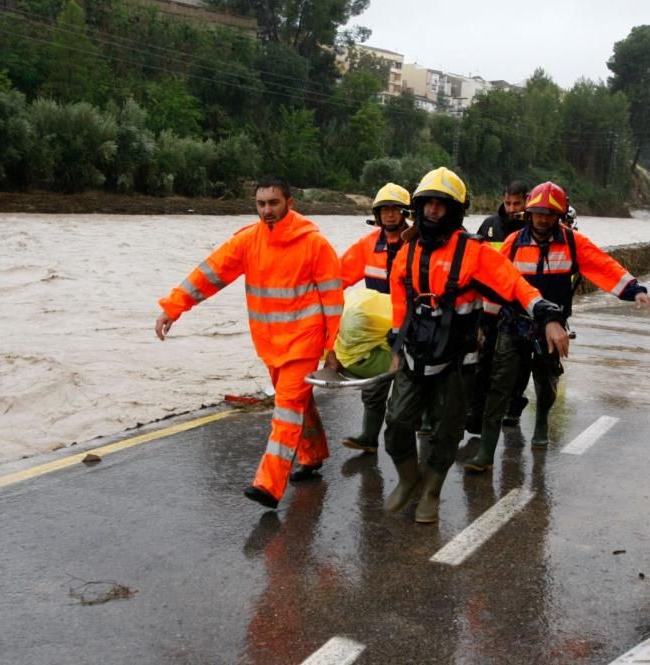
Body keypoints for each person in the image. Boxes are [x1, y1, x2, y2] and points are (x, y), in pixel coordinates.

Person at [384, 167, 568, 524]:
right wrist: (395, 347)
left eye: (441, 206)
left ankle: (432, 492)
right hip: (414, 356)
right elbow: (397, 305)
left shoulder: (474, 253)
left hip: (457, 360)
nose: (433, 212)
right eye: (427, 205)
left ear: (454, 211)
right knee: (396, 425)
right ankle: (409, 479)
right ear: (418, 207)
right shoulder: (405, 253)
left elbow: (515, 285)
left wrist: (547, 315)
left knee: (448, 429)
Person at [155, 177, 344, 509]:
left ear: (290, 203)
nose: (267, 210)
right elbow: (209, 274)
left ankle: (268, 485)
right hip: (270, 344)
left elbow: (333, 303)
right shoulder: (248, 242)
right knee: (298, 406)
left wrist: (333, 351)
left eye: (273, 203)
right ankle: (313, 455)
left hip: (304, 342)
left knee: (285, 412)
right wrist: (173, 308)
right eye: (261, 204)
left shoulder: (315, 245)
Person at [464, 181, 650, 472]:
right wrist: (484, 324)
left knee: (546, 381)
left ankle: (541, 421)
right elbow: (495, 284)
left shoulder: (571, 243)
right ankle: (487, 452)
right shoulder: (514, 242)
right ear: (529, 213)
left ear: (560, 215)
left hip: (551, 327)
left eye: (549, 214)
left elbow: (603, 265)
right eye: (538, 212)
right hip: (513, 324)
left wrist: (634, 290)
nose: (543, 219)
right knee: (498, 387)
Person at [337, 183, 412, 454]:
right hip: (376, 328)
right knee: (375, 384)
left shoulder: (416, 243)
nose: (390, 215)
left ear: (405, 213)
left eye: (395, 210)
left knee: (414, 382)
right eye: (384, 210)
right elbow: (336, 279)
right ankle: (369, 437)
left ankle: (426, 430)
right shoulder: (367, 246)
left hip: (411, 324)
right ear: (377, 215)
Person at [466, 181, 531, 435]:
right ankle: (476, 413)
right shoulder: (489, 226)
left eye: (517, 203)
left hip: (520, 309)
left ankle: (514, 406)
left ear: (527, 201)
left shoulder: (532, 228)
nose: (512, 208)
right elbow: (475, 265)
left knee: (519, 363)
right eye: (508, 203)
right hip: (490, 307)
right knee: (483, 360)